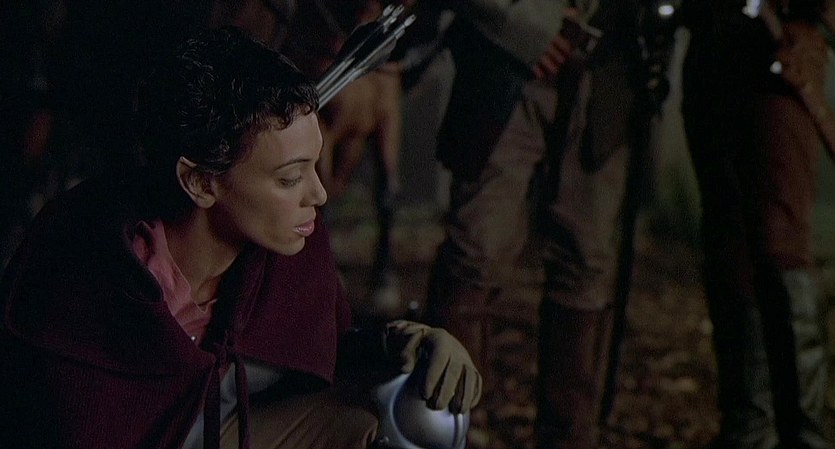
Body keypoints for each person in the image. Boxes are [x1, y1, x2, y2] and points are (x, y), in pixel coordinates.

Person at [0, 26, 481, 449]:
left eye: (314, 167)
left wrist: (404, 344)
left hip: (222, 432)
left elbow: (315, 351)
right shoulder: (88, 276)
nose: (318, 194)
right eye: (290, 178)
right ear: (200, 182)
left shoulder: (289, 248)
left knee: (392, 415)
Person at [420, 1, 651, 448]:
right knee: (476, 250)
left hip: (609, 73)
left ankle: (569, 436)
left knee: (586, 262)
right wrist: (525, 24)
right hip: (505, 68)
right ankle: (441, 429)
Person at [681, 1, 834, 448]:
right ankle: (751, 428)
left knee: (778, 243)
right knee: (729, 248)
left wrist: (815, 23)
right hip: (714, 50)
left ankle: (804, 436)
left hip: (781, 52)